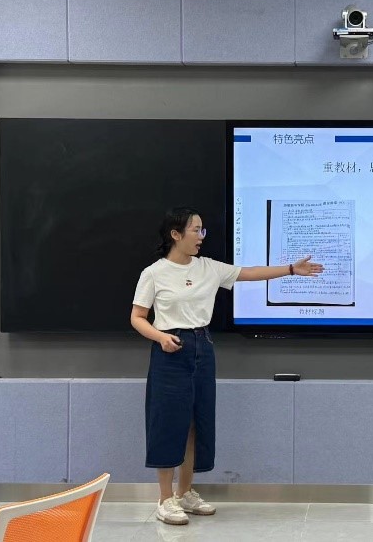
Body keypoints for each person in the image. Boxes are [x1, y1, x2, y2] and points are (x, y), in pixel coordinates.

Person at [130, 207, 323, 526]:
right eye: (195, 230)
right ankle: (165, 499)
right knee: (167, 422)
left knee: (197, 423)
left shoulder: (209, 267)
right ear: (176, 235)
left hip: (202, 347)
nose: (201, 237)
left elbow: (250, 272)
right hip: (170, 349)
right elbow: (137, 317)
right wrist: (160, 337)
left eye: (202, 230)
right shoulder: (154, 273)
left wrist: (291, 269)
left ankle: (185, 493)